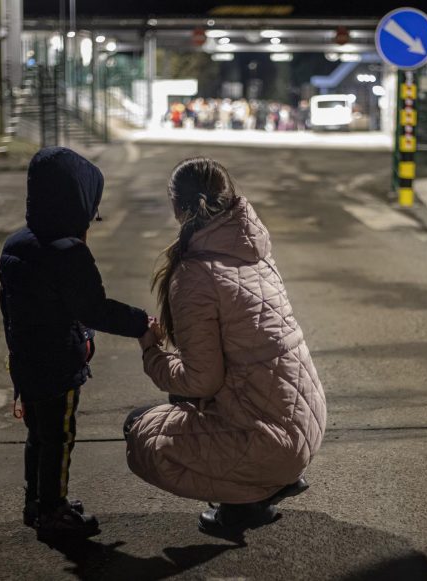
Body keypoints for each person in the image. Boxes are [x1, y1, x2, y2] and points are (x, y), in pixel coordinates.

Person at [124, 157, 327, 537]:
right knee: (176, 403)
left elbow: (201, 380)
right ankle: (262, 486)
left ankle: (246, 503)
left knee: (140, 431)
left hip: (271, 442)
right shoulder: (255, 250)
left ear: (177, 207)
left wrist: (152, 353)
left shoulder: (194, 274)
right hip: (306, 424)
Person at [0, 147, 149, 541]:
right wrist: (142, 324)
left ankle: (36, 501)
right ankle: (54, 510)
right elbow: (95, 309)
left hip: (26, 361)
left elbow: (7, 308)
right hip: (59, 364)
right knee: (60, 437)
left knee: (38, 434)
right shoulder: (69, 253)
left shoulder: (16, 245)